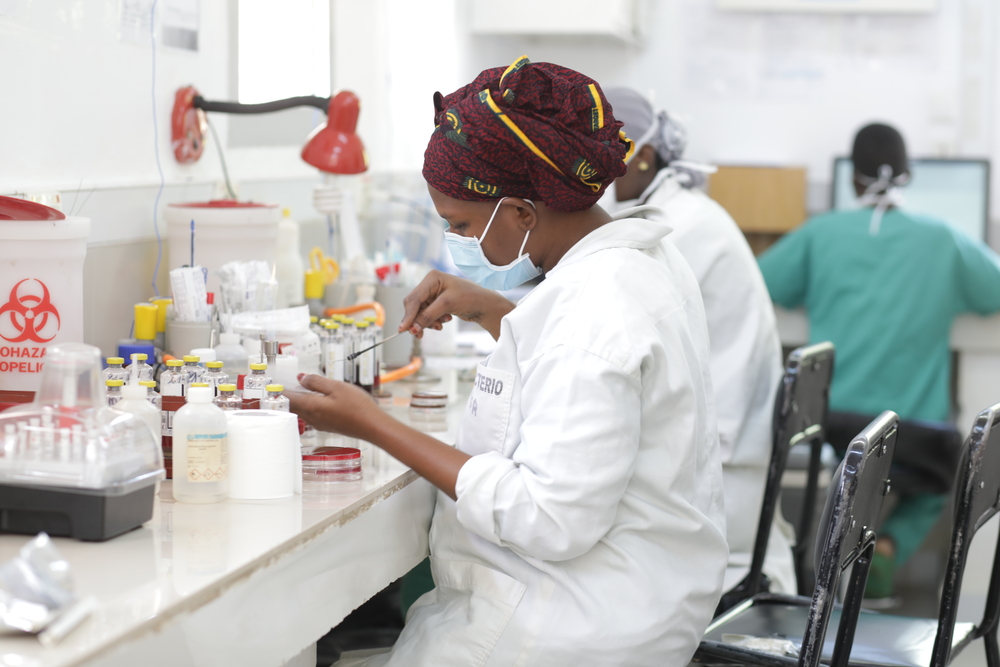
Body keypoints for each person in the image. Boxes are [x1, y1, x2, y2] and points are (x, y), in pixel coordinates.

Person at [289, 56, 728, 666]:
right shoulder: (640, 258)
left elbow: (548, 518)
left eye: (461, 225)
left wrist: (373, 424)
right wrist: (495, 311)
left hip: (566, 628)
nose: (457, 243)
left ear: (522, 213)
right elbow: (584, 375)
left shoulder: (594, 310)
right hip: (632, 597)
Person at [758, 122, 1000, 600]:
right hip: (913, 436)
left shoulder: (820, 233)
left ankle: (824, 565)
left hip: (834, 429)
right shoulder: (944, 238)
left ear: (852, 182)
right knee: (949, 464)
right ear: (908, 176)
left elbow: (763, 283)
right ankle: (888, 545)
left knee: (844, 473)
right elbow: (993, 292)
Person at [604, 87, 795, 596]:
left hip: (721, 470)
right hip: (729, 446)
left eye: (598, 152)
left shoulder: (672, 227)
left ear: (642, 155)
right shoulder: (676, 211)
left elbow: (599, 322)